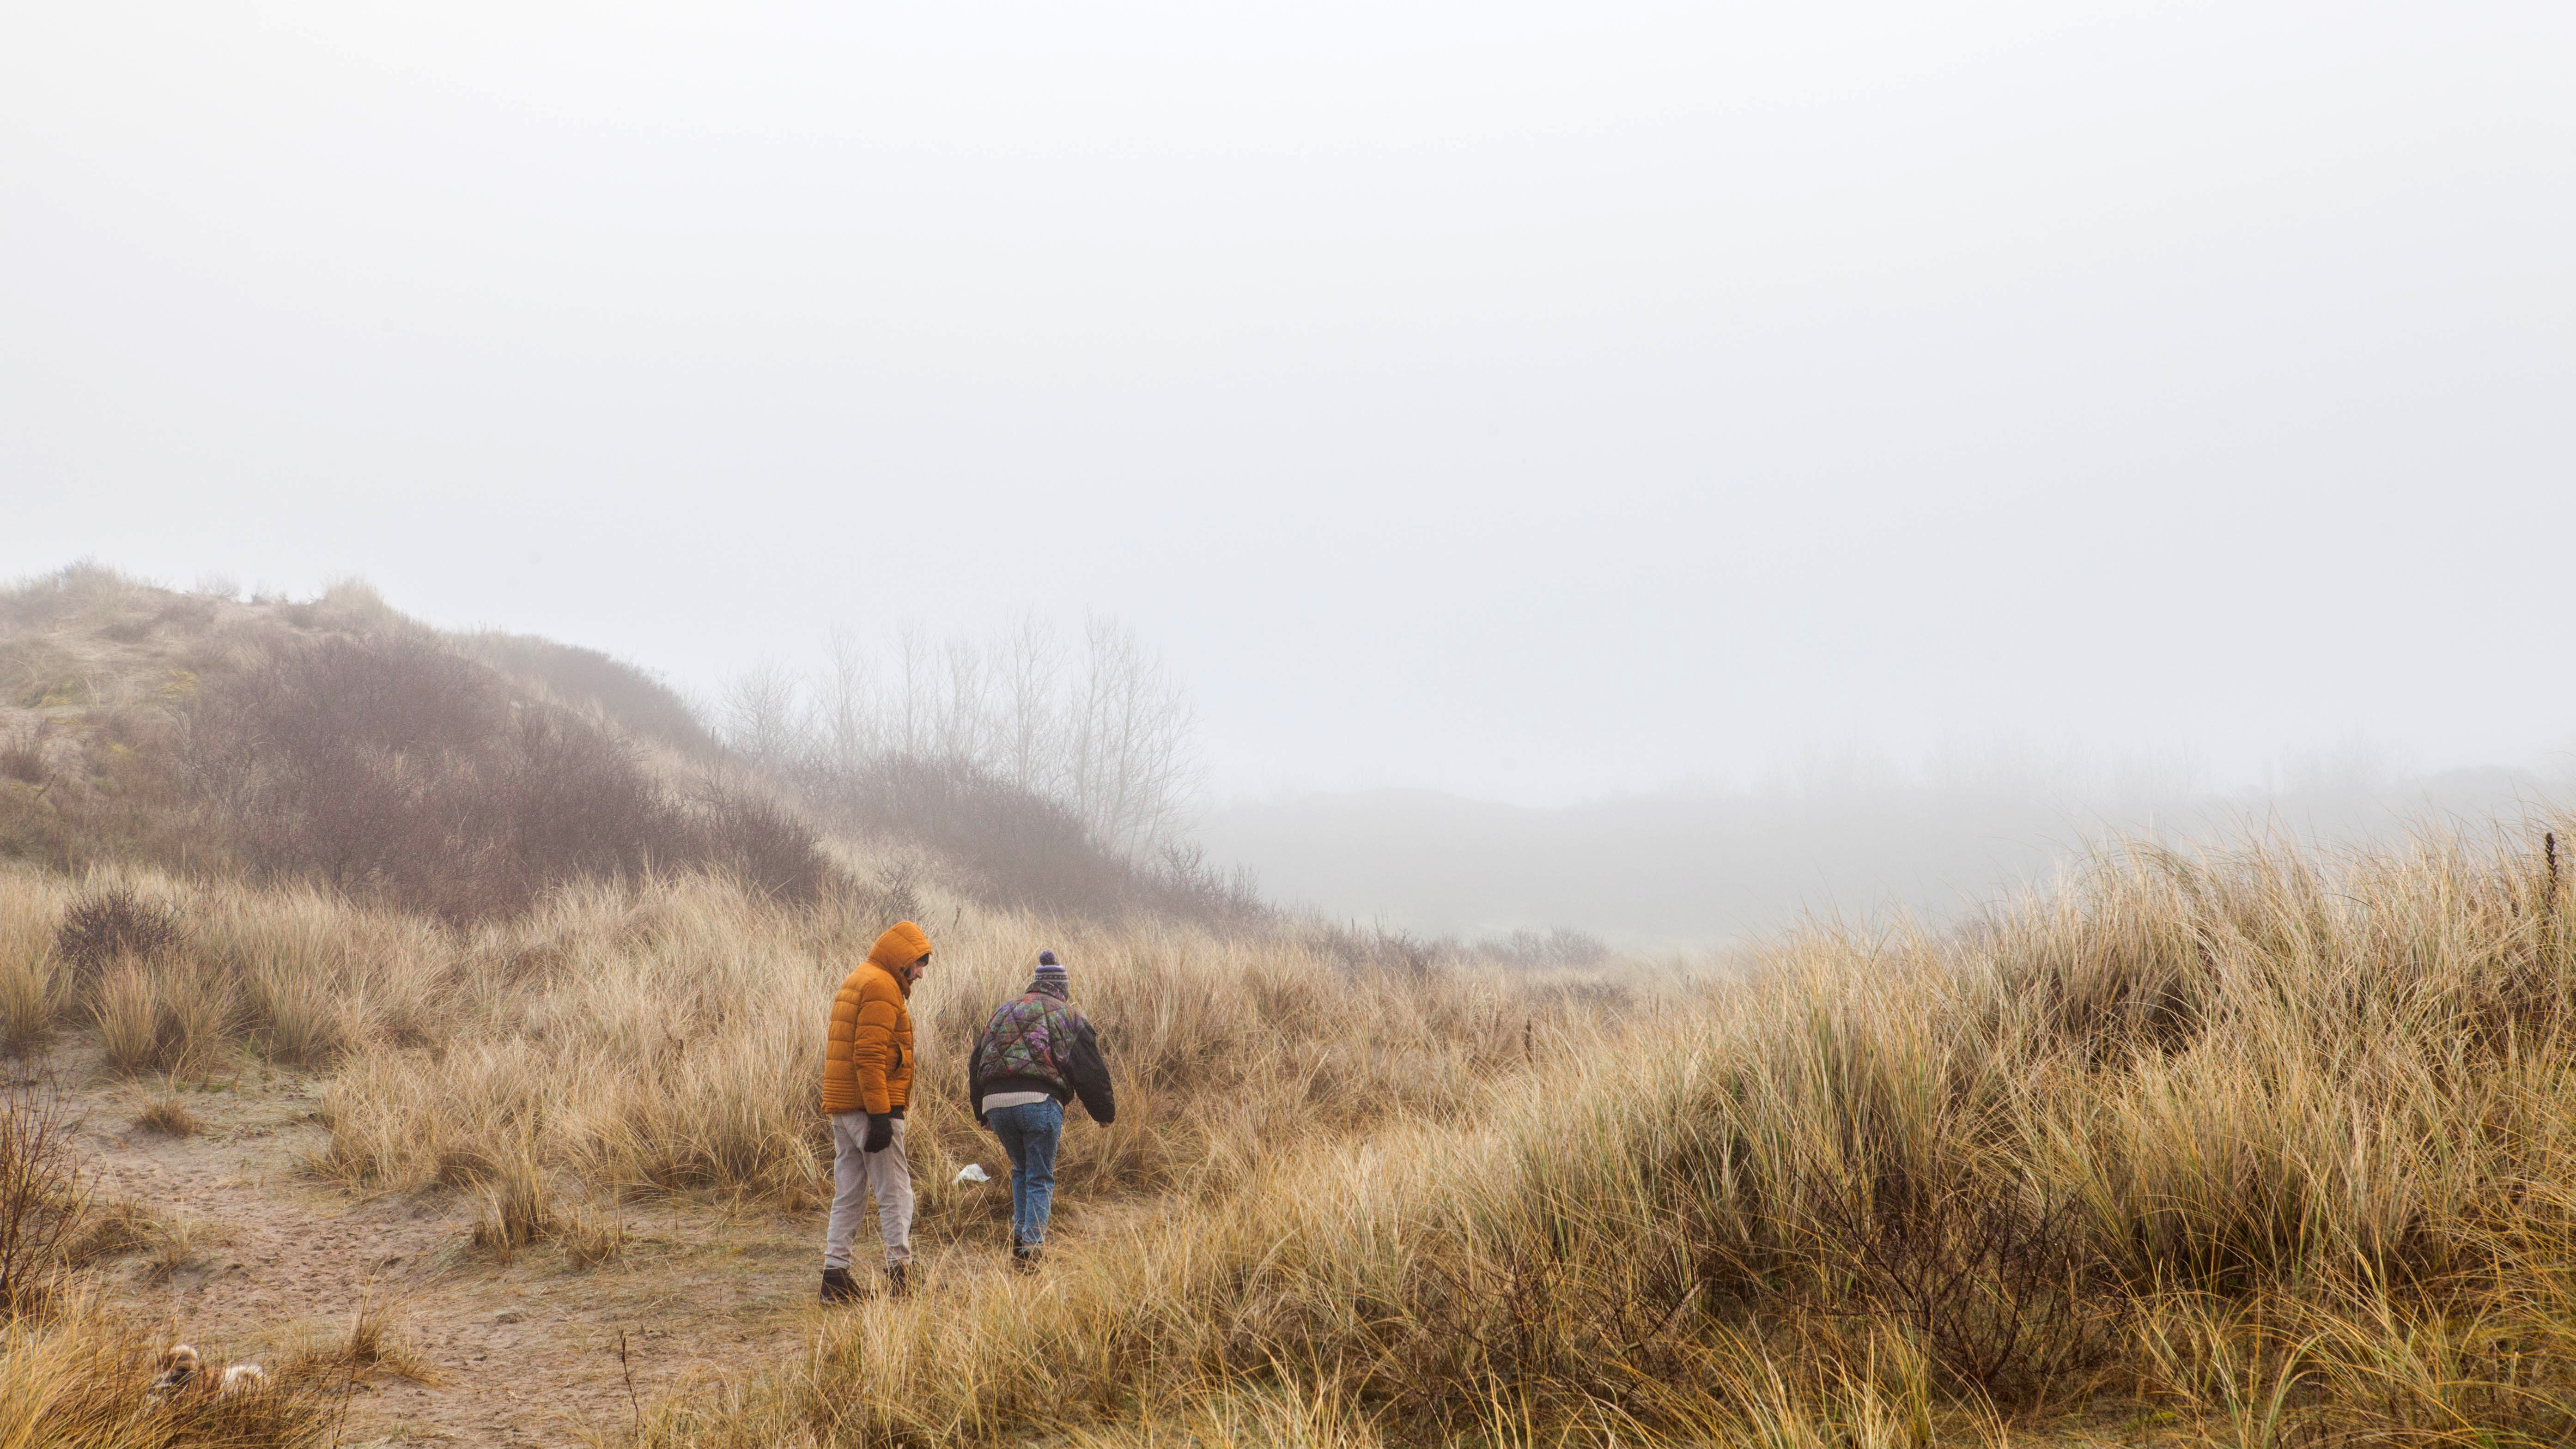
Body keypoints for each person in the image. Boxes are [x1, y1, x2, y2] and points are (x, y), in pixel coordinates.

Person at [967, 949, 1114, 1270]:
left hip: (996, 1103)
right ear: (1062, 988)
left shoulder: (1003, 1010)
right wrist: (1103, 1112)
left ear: (1036, 982)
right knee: (1040, 1175)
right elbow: (1089, 1070)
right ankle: (1031, 1253)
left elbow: (976, 1059)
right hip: (1039, 1100)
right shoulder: (1068, 1015)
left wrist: (982, 1111)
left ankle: (1021, 1239)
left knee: (1022, 1169)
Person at [819, 920, 930, 1303]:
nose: (919, 972)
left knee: (849, 1193)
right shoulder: (883, 986)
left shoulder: (859, 977)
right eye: (918, 963)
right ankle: (902, 1275)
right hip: (871, 1107)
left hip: (845, 1106)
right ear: (901, 959)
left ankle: (835, 1278)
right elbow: (868, 1054)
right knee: (895, 1191)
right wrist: (882, 1114)